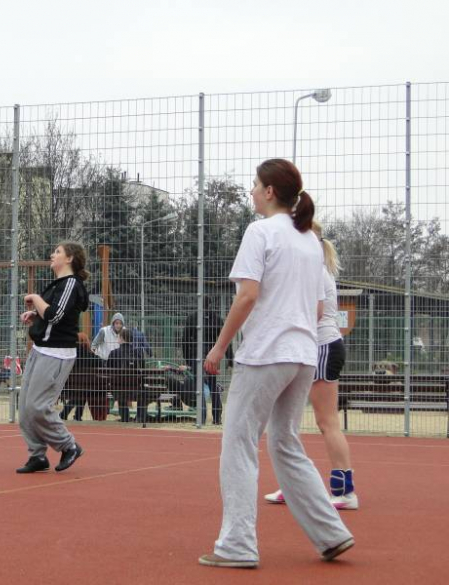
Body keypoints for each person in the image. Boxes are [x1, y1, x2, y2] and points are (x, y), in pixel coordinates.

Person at [199, 159, 354, 569]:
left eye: (254, 184)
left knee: (238, 442)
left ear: (270, 192)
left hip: (267, 352)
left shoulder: (261, 232)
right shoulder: (309, 242)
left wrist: (218, 348)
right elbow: (319, 305)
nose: (251, 191)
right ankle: (331, 533)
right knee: (285, 442)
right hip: (304, 355)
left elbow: (247, 296)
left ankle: (236, 545)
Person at [264, 221, 358, 510]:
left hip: (322, 347)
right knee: (288, 420)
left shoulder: (314, 269)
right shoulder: (313, 267)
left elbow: (313, 313)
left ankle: (344, 492)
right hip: (312, 348)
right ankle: (295, 485)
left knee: (326, 422)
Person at [16, 241, 90, 473]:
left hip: (57, 354)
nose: (52, 254)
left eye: (57, 252)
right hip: (41, 350)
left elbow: (55, 315)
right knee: (26, 408)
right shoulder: (58, 285)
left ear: (69, 259)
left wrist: (36, 299)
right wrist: (35, 316)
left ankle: (69, 446)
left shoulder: (71, 284)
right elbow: (51, 316)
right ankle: (37, 455)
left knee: (38, 406)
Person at [182, 298, 232, 425]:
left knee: (199, 386)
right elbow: (224, 339)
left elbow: (185, 340)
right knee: (213, 385)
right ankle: (217, 418)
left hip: (195, 354)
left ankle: (201, 418)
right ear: (211, 304)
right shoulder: (216, 319)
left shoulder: (192, 318)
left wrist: (187, 358)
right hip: (211, 354)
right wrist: (230, 358)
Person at [108, 328, 147, 422]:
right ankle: (140, 417)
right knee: (143, 391)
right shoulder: (138, 353)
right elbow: (143, 370)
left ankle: (125, 417)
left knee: (121, 388)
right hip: (136, 390)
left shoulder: (113, 353)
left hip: (117, 390)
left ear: (121, 338)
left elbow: (108, 370)